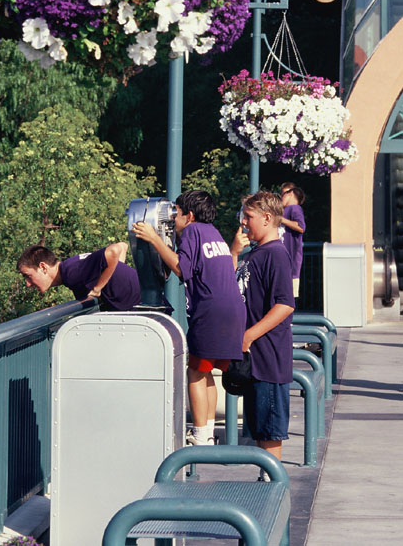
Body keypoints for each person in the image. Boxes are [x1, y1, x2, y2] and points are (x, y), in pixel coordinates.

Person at [132, 190, 246, 447]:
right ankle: (207, 433)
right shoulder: (213, 232)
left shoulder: (193, 232)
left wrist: (154, 239)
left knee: (194, 370)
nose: (174, 221)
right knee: (206, 371)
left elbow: (182, 269)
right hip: (233, 311)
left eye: (177, 215)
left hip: (211, 312)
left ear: (190, 215)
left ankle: (200, 433)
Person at [231, 190, 295, 477]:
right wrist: (233, 252)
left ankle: (272, 491)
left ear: (268, 218)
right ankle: (265, 484)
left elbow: (285, 304)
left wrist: (249, 335)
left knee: (269, 433)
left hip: (268, 359)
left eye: (249, 216)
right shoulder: (254, 253)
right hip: (255, 361)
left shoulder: (276, 255)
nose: (244, 222)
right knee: (259, 431)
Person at [16, 242, 141, 311]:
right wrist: (116, 273)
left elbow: (113, 251)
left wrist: (98, 288)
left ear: (43, 267)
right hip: (144, 303)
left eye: (28, 276)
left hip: (142, 309)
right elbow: (122, 246)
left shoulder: (71, 272)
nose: (27, 283)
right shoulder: (71, 266)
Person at [279, 182, 306, 301]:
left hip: (290, 262)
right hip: (283, 260)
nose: (281, 197)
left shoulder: (294, 208)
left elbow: (300, 227)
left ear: (291, 193)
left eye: (283, 194)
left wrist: (280, 219)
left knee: (286, 297)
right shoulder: (286, 210)